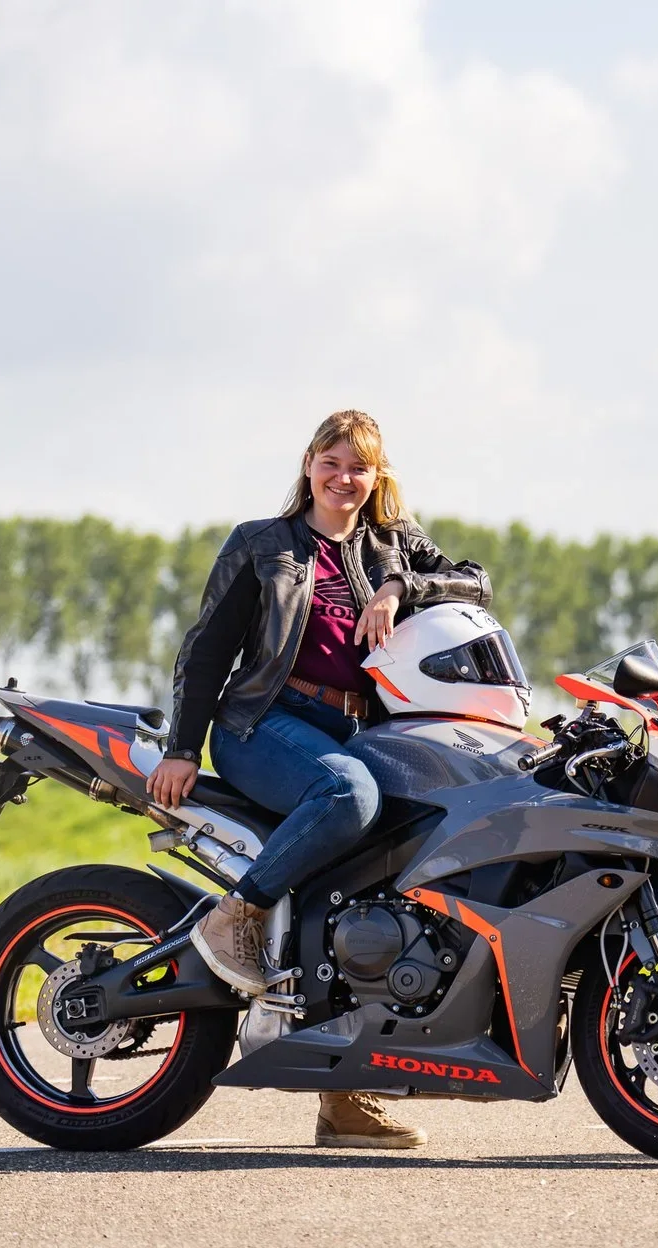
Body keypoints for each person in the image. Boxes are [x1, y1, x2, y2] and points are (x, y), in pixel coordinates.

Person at [149, 409, 489, 1150]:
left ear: (377, 478)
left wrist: (397, 588)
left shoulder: (391, 544)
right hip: (263, 721)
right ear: (308, 464)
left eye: (359, 468)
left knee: (388, 879)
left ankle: (344, 1100)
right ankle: (233, 916)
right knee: (349, 796)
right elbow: (205, 651)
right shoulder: (263, 545)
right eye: (332, 463)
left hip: (359, 727)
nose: (344, 479)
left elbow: (475, 583)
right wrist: (182, 747)